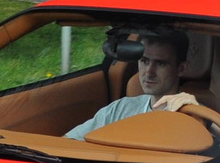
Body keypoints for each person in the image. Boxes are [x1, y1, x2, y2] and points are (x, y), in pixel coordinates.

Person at [66, 32, 199, 139]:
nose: (149, 72)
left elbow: (218, 145)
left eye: (160, 64)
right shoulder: (120, 109)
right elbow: (68, 142)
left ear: (181, 68)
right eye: (144, 61)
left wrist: (198, 115)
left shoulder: (194, 115)